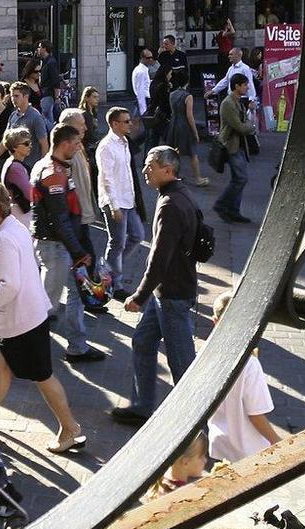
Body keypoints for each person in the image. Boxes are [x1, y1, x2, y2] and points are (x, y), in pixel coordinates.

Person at [0, 183, 86, 453]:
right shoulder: (13, 229)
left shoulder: (5, 239)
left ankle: (70, 429)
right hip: (20, 319)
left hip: (22, 321)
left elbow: (10, 286)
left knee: (43, 376)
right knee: (1, 368)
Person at [111, 147, 202, 427]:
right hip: (168, 292)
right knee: (142, 340)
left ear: (167, 170)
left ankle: (193, 424)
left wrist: (139, 296)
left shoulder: (171, 204)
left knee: (181, 362)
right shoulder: (179, 194)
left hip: (173, 294)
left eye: (150, 166)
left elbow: (159, 259)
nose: (144, 171)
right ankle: (142, 405)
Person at [30, 124, 106, 365]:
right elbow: (60, 219)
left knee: (74, 295)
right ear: (64, 144)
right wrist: (79, 252)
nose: (79, 147)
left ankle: (77, 346)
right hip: (55, 248)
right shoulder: (53, 174)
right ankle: (26, 352)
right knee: (46, 306)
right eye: (75, 143)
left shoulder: (53, 167)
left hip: (59, 246)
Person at [205, 291, 283, 463]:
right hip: (247, 449)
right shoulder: (249, 364)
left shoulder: (206, 355)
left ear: (215, 322)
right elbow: (255, 414)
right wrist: (276, 440)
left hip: (220, 443)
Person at [96, 105, 146, 299]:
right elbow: (106, 178)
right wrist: (114, 206)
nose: (130, 124)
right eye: (126, 121)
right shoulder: (106, 146)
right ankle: (115, 285)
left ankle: (108, 270)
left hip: (128, 199)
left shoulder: (124, 141)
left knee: (137, 235)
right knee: (117, 243)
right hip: (114, 202)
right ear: (114, 124)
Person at [215, 79, 255, 226]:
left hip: (239, 145)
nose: (247, 87)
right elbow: (239, 126)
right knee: (240, 178)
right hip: (232, 145)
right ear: (236, 86)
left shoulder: (237, 101)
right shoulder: (228, 103)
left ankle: (233, 210)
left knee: (238, 178)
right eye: (244, 85)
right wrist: (251, 126)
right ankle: (221, 205)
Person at [5, 81, 49, 163]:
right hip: (16, 163)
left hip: (31, 165)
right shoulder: (13, 116)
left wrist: (42, 166)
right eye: (12, 96)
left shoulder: (35, 117)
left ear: (26, 96)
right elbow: (6, 140)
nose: (13, 99)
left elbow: (44, 144)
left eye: (16, 96)